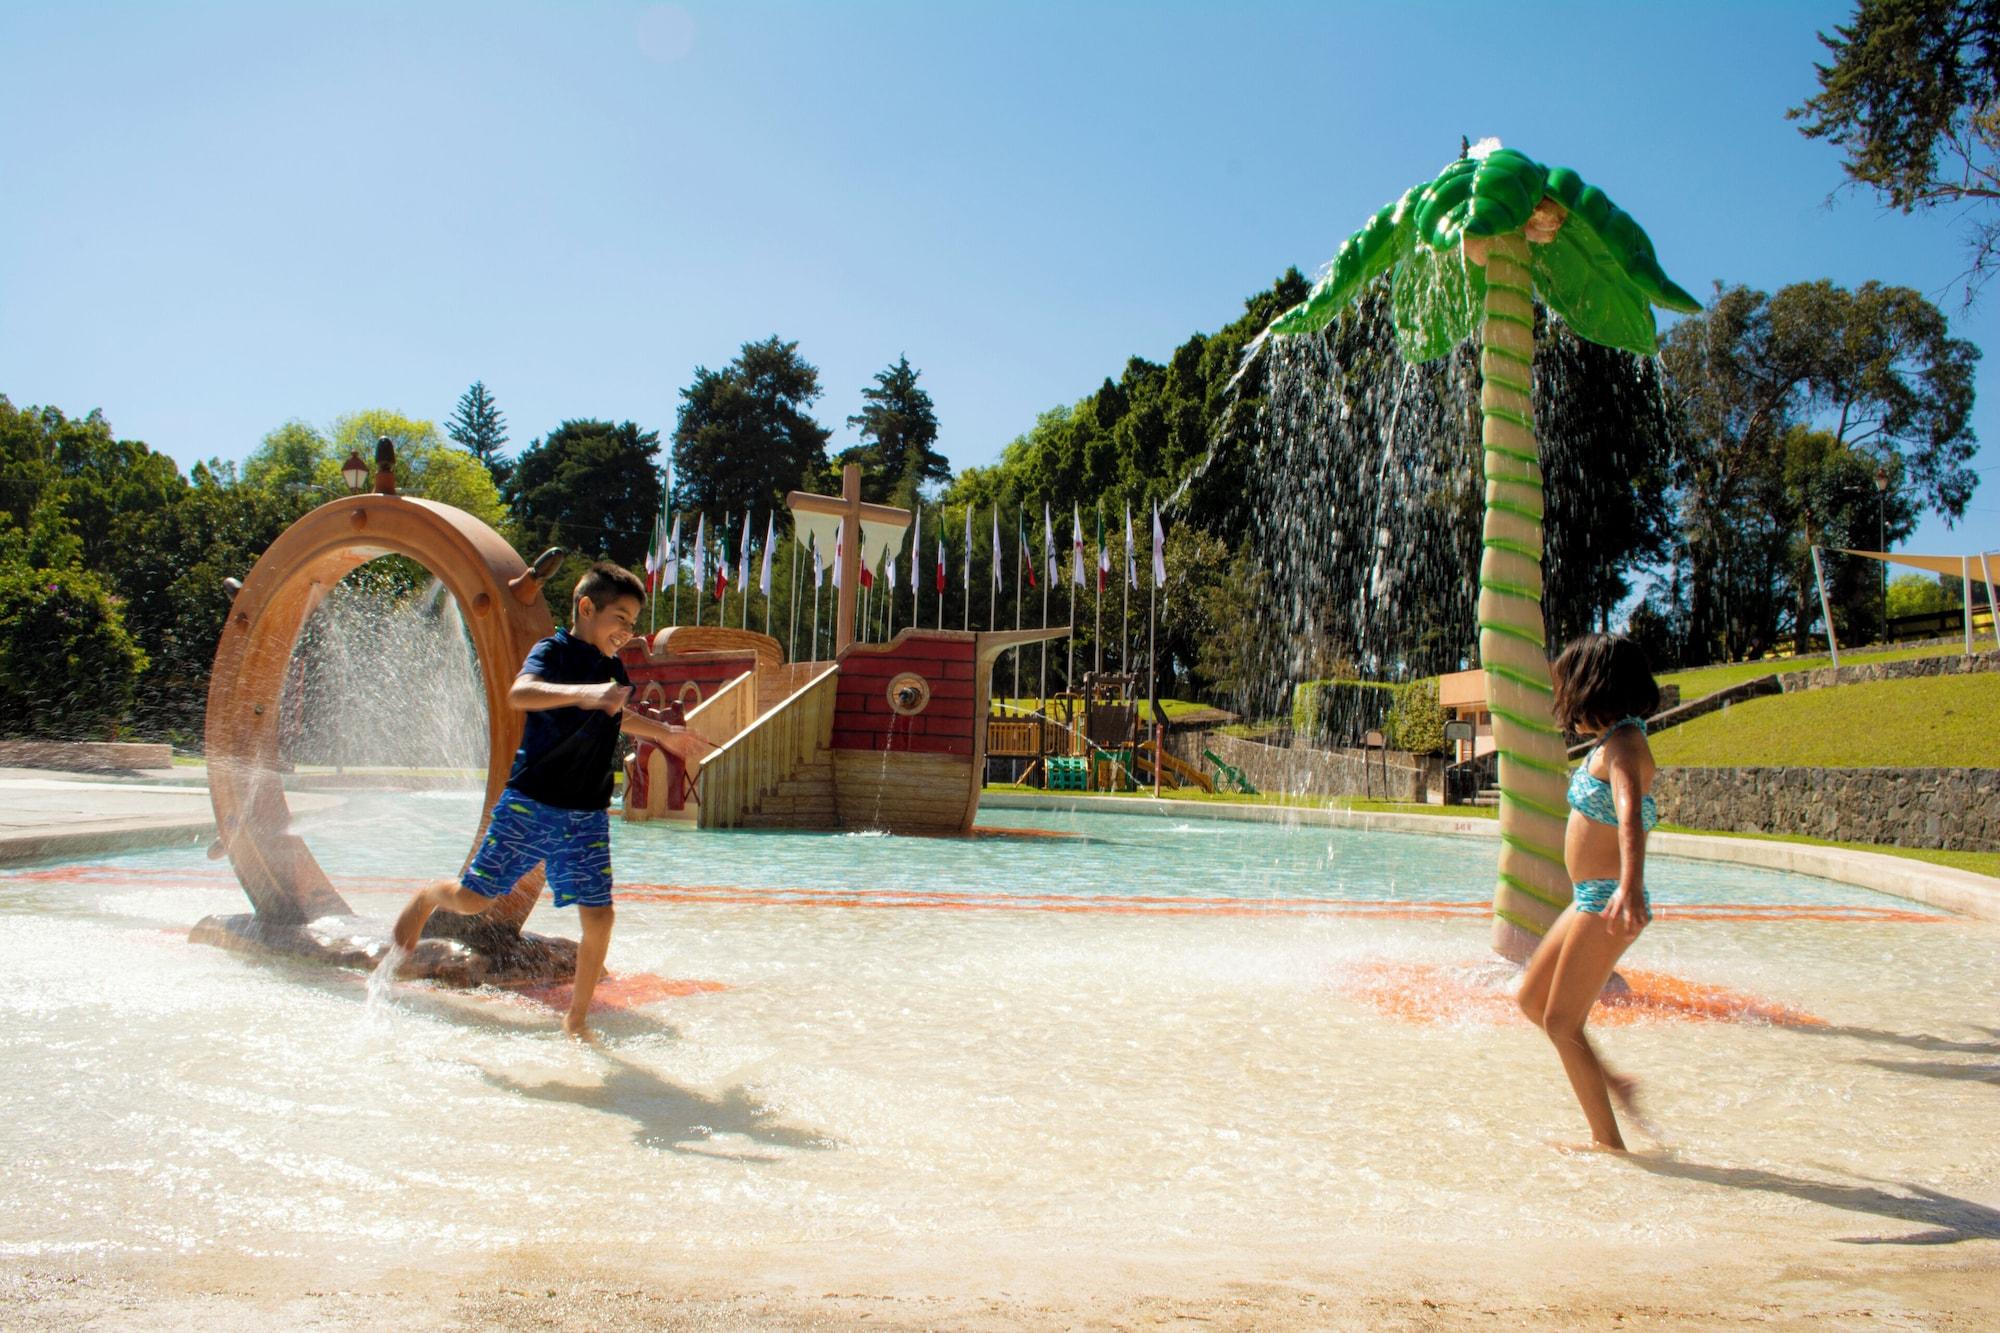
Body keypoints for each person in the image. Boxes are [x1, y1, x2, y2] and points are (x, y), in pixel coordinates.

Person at [390, 561, 711, 1039]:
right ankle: (428, 897)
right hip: (531, 802)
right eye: (620, 617)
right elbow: (521, 693)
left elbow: (615, 716)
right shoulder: (554, 651)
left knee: (600, 916)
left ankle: (576, 1020)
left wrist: (665, 734)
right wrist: (585, 694)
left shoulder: (612, 668)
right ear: (586, 607)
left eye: (633, 622)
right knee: (474, 900)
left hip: (586, 814)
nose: (627, 631)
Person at [1516, 632, 1661, 1150]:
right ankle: (1615, 1083)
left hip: (1606, 898)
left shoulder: (1623, 745)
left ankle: (1608, 1142)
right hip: (1587, 898)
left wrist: (1631, 885)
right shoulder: (1612, 739)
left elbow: (1629, 816)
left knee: (1561, 1022)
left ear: (1594, 688)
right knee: (1533, 1001)